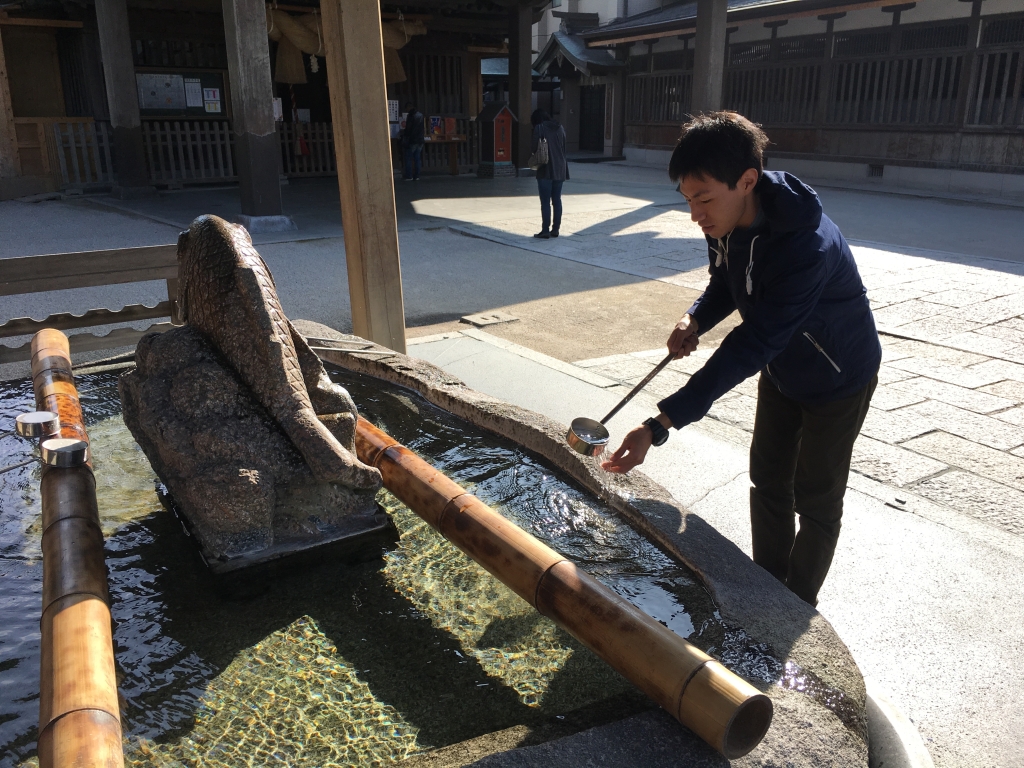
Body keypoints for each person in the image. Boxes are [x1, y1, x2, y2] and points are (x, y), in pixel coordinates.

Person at [601, 111, 881, 607]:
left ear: (747, 180)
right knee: (768, 478)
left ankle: (797, 603)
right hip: (781, 370)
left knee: (816, 497)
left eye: (704, 199)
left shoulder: (805, 248)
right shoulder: (726, 218)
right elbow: (725, 280)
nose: (696, 216)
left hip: (838, 377)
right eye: (688, 200)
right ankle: (766, 586)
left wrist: (659, 423)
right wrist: (695, 320)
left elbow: (751, 344)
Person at [530, 109, 569, 239]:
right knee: (557, 199)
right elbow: (564, 146)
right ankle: (555, 229)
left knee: (545, 201)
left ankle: (545, 230)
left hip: (545, 168)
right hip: (560, 167)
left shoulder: (539, 128)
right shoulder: (560, 128)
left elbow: (534, 147)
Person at [402, 102, 424, 181]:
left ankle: (409, 175)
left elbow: (409, 129)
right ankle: (417, 175)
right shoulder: (420, 115)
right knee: (417, 158)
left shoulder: (410, 116)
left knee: (408, 158)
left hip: (412, 140)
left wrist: (405, 137)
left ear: (409, 107)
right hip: (420, 140)